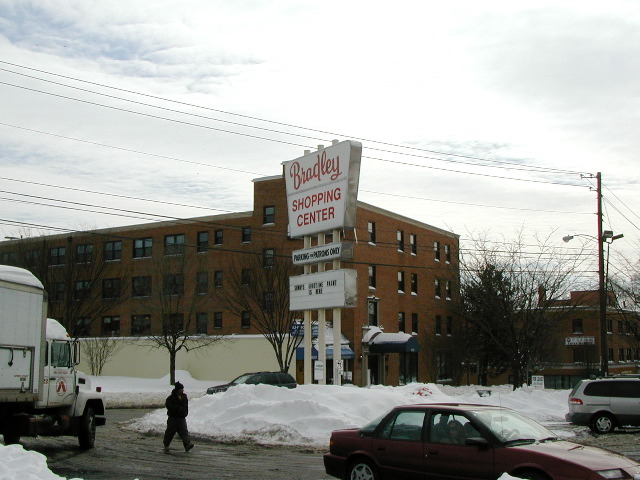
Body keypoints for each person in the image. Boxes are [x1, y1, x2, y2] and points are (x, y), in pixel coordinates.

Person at [163, 381, 194, 453]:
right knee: (170, 433)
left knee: (184, 432)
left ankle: (187, 445)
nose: (182, 390)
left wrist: (185, 412)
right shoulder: (170, 398)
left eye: (182, 389)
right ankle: (166, 445)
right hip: (173, 418)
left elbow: (185, 406)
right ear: (177, 390)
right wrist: (177, 408)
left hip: (181, 418)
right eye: (181, 389)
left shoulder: (184, 397)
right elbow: (169, 406)